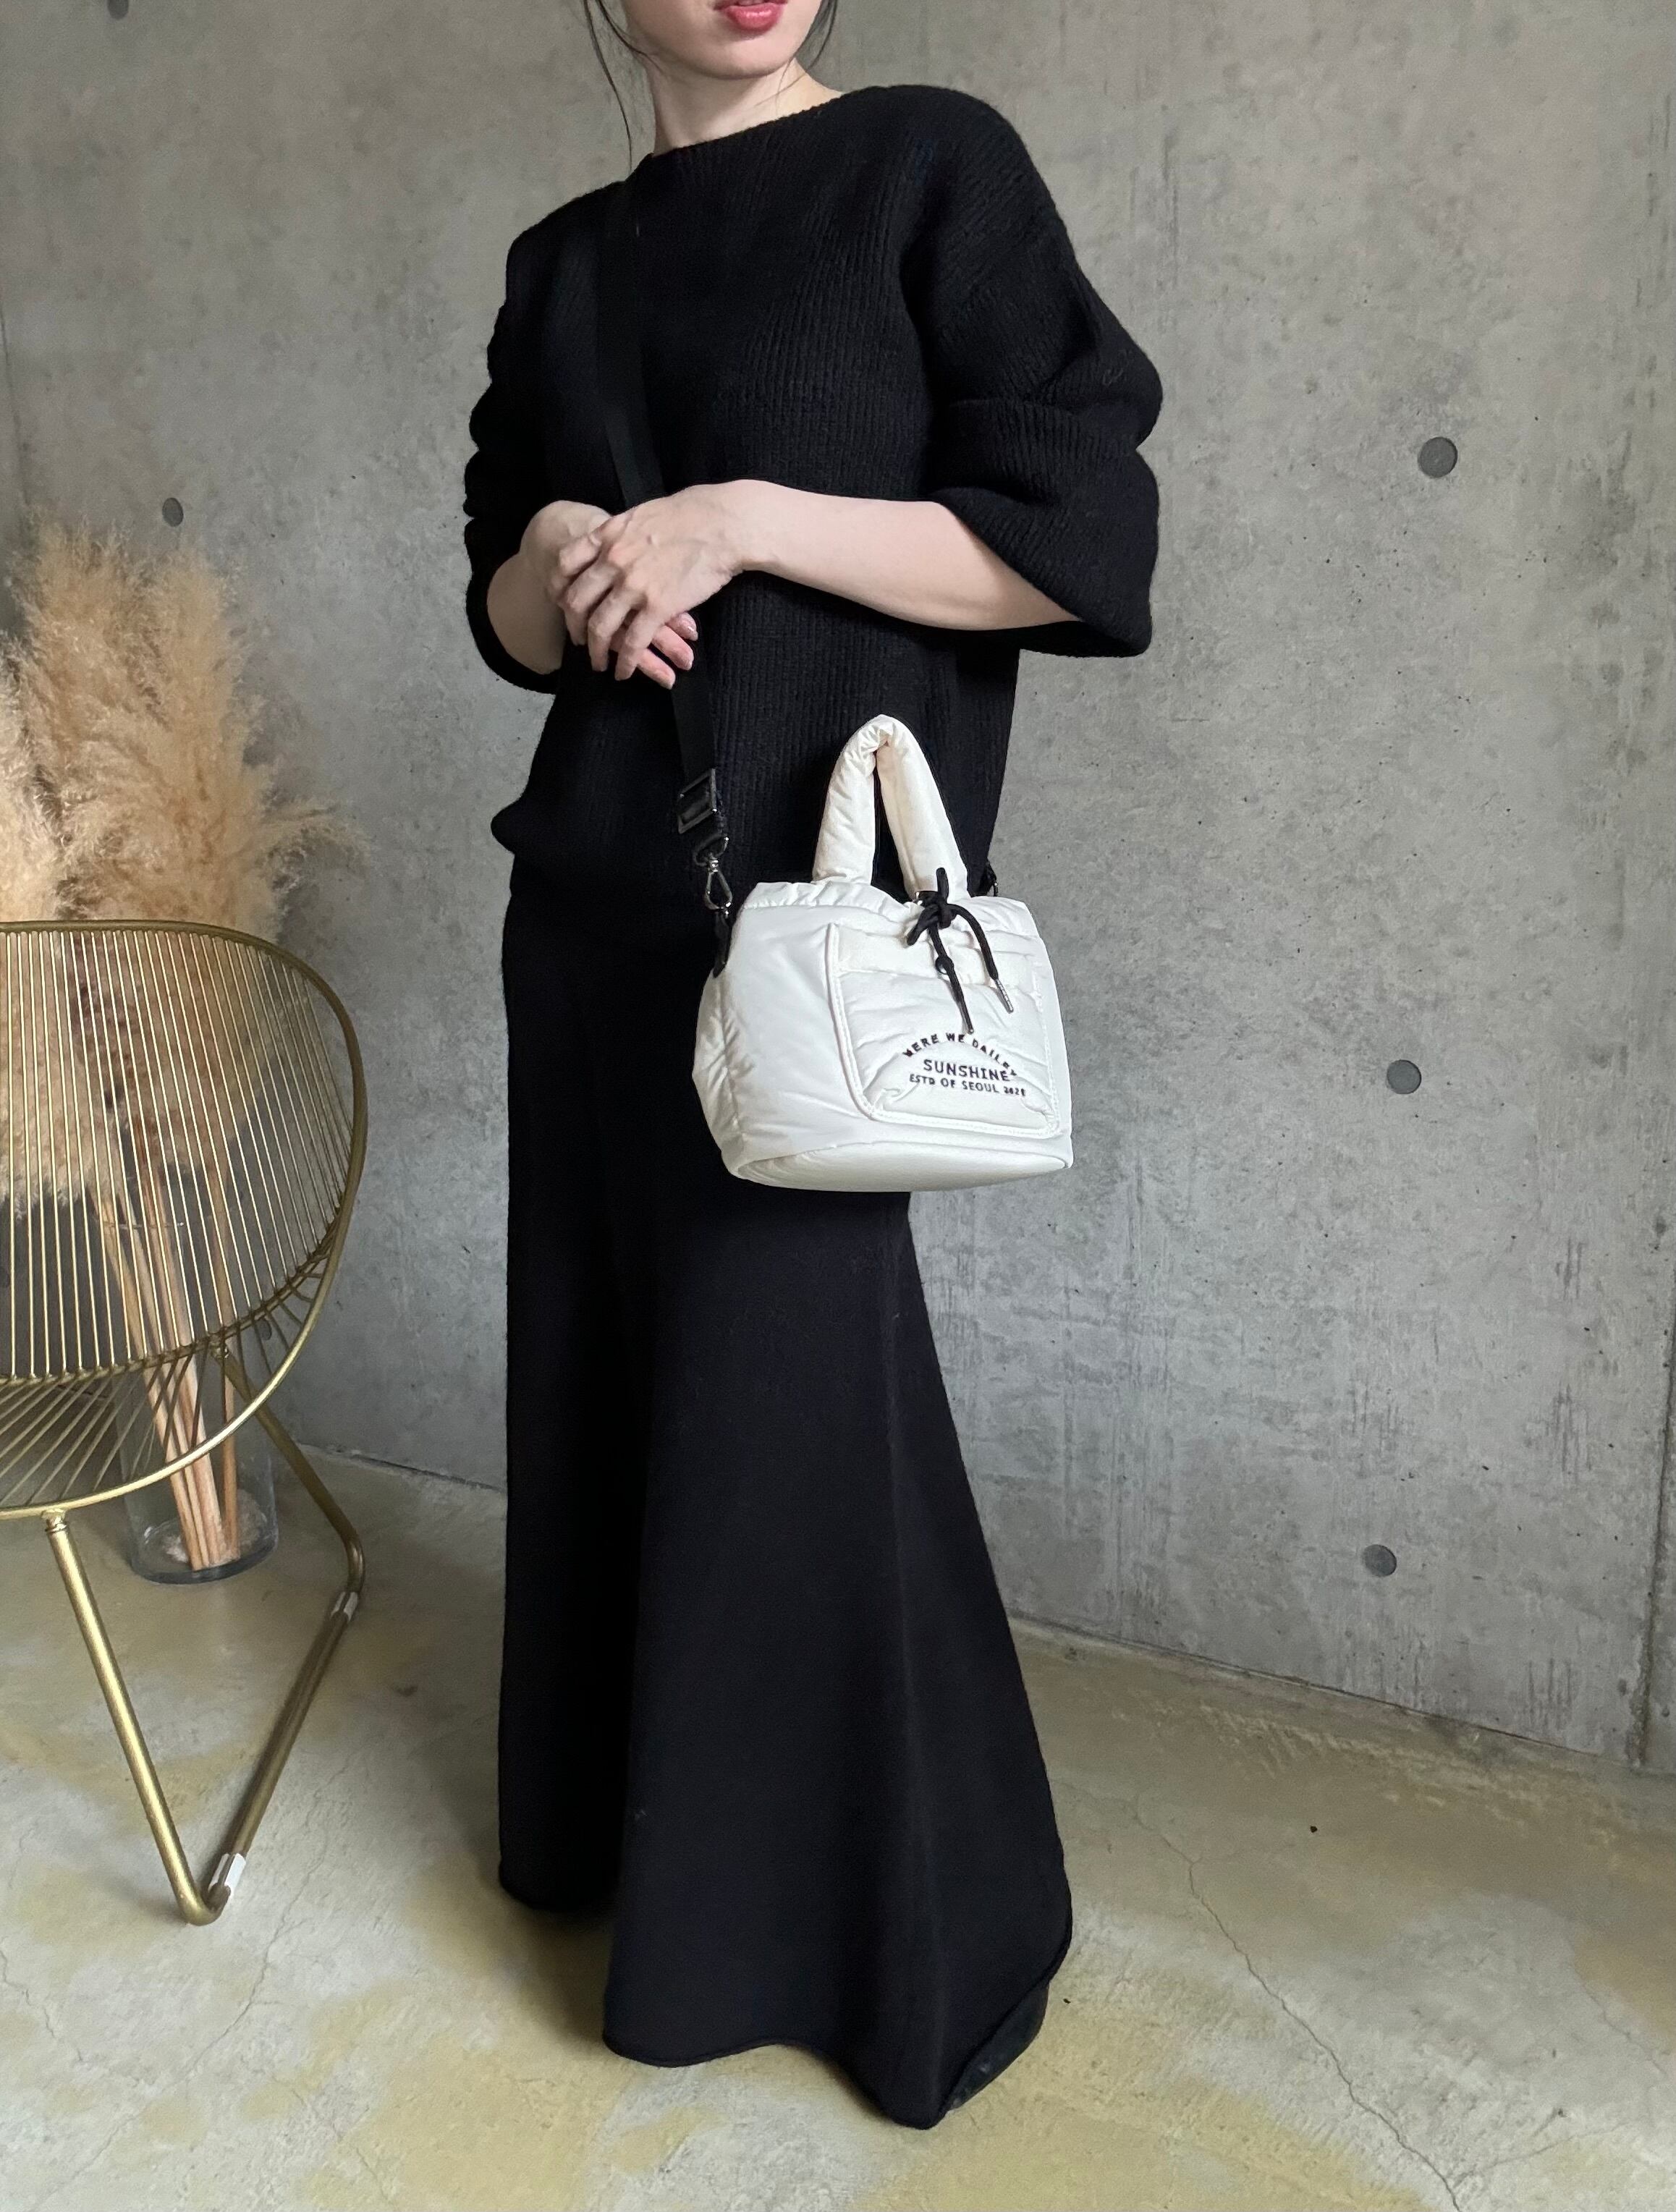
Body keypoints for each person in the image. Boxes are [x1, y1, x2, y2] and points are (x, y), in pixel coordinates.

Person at [461, 0, 1163, 2131]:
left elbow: (1069, 544)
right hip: (595, 914)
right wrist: (568, 564)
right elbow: (496, 609)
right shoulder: (564, 261)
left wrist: (742, 516)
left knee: (792, 1438)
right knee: (606, 1393)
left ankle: (866, 1945)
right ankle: (617, 1849)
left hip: (819, 952)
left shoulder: (927, 166)